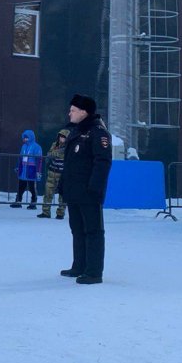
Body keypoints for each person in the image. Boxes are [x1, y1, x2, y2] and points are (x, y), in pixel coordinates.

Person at [58, 95, 112, 285]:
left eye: (73, 110)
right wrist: (63, 185)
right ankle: (79, 266)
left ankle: (94, 271)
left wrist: (95, 189)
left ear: (83, 112)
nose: (69, 113)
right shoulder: (75, 131)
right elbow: (70, 163)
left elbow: (102, 163)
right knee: (77, 230)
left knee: (93, 231)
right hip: (74, 191)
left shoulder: (98, 132)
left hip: (88, 192)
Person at [38, 129, 70, 220]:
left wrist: (57, 153)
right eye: (60, 136)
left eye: (64, 137)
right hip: (52, 172)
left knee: (62, 195)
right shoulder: (54, 144)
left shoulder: (69, 147)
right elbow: (50, 154)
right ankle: (45, 212)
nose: (61, 138)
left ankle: (60, 213)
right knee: (48, 193)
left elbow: (67, 156)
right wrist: (57, 152)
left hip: (63, 174)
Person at [11, 129, 43, 209]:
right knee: (21, 186)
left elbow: (39, 160)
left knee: (32, 187)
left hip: (32, 170)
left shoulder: (37, 147)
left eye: (27, 138)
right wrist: (18, 166)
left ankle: (33, 202)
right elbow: (20, 158)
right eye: (24, 138)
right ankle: (18, 201)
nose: (25, 139)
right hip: (23, 170)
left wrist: (38, 171)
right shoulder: (23, 146)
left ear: (31, 137)